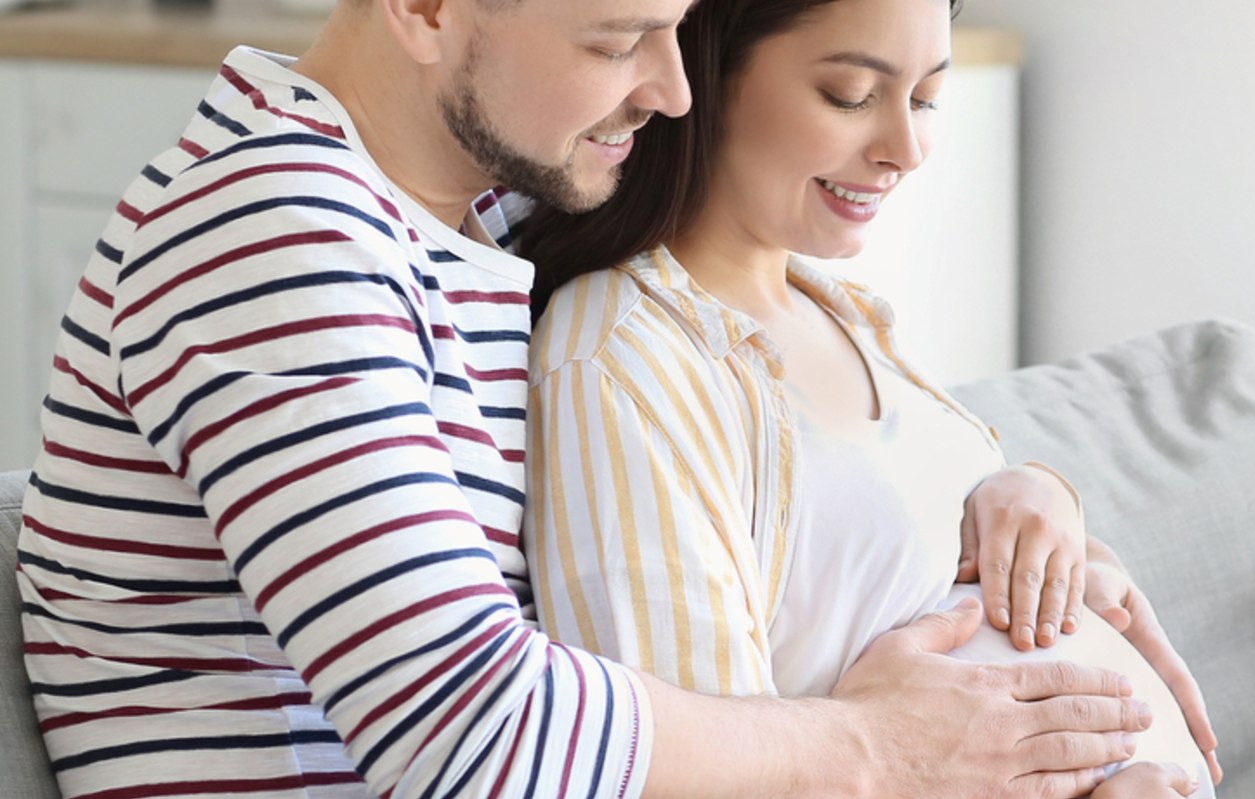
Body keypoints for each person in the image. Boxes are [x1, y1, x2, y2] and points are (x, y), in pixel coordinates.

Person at [14, 0, 1186, 795]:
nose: (674, 91)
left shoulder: (484, 215)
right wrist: (876, 747)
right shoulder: (268, 238)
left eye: (676, 27)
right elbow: (469, 731)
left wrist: (1013, 503)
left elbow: (780, 465)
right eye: (619, 37)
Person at [510, 0, 1219, 794]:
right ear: (701, 71)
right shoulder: (623, 356)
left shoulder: (842, 312)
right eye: (850, 95)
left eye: (926, 99)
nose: (905, 150)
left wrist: (1041, 501)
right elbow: (685, 775)